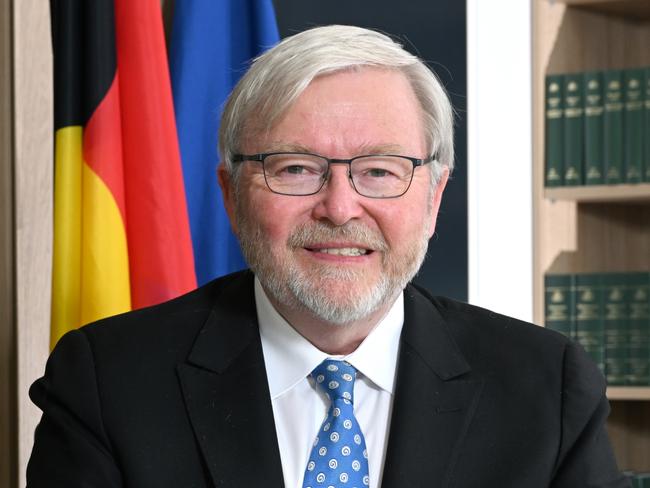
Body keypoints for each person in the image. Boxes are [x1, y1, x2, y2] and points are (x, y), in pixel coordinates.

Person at [27, 25, 627, 488]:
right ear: (232, 196)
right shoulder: (108, 383)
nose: (340, 208)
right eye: (295, 169)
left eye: (379, 171)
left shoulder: (548, 391)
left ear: (434, 197)